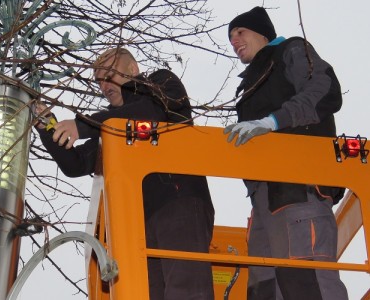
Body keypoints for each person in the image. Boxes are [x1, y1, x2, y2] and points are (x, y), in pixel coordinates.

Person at [35, 48, 215, 299]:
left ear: (132, 69)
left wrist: (83, 125)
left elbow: (152, 113)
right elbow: (75, 164)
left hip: (178, 199)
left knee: (186, 289)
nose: (104, 84)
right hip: (138, 221)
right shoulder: (110, 127)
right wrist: (46, 125)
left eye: (109, 74)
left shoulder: (162, 83)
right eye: (98, 80)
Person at [223, 6, 348, 300]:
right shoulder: (251, 84)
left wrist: (273, 121)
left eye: (240, 32)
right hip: (264, 199)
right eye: (230, 37)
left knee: (307, 279)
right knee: (265, 288)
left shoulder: (291, 51)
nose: (234, 41)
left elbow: (325, 89)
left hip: (299, 188)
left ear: (262, 32)